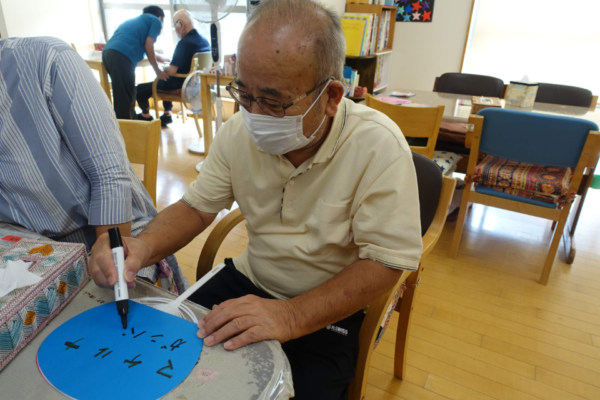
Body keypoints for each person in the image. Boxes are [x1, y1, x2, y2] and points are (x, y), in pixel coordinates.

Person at [89, 0, 422, 398]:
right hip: (249, 280)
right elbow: (196, 208)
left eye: (274, 101)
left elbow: (385, 261)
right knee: (154, 369)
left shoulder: (377, 146)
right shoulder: (239, 131)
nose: (254, 114)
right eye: (243, 93)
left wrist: (293, 315)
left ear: (332, 96)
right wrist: (142, 246)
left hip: (326, 308)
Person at [0, 36, 188, 295]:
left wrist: (110, 254)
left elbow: (109, 175)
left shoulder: (46, 60)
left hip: (104, 238)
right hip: (24, 252)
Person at [136, 10, 211, 127]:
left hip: (180, 84)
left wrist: (164, 67)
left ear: (180, 24)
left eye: (174, 25)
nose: (175, 29)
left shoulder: (184, 43)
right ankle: (167, 114)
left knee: (140, 89)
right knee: (166, 79)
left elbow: (172, 70)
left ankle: (146, 116)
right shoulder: (203, 40)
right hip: (196, 82)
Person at [102, 5, 170, 120]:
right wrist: (157, 70)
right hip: (122, 56)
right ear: (160, 17)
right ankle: (126, 132)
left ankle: (130, 125)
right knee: (126, 97)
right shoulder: (156, 21)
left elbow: (147, 48)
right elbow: (149, 45)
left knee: (123, 94)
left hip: (108, 54)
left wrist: (162, 58)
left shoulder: (133, 22)